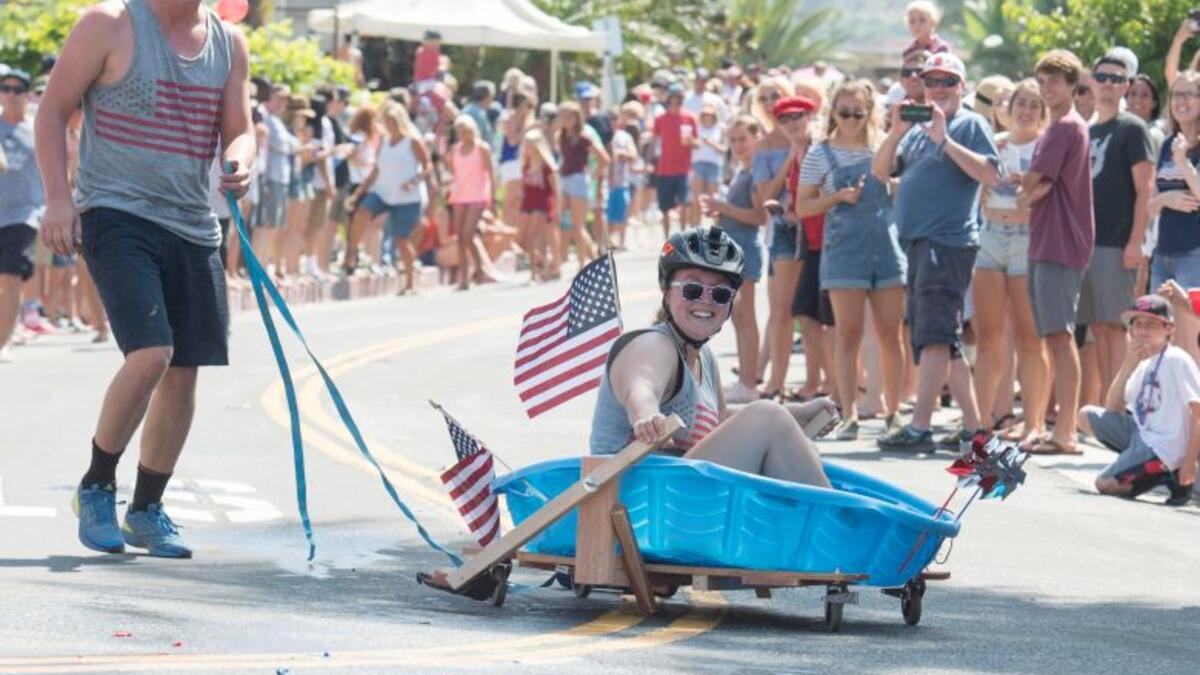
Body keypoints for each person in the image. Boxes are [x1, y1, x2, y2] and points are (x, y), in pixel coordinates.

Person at [36, 0, 254, 556]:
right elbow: (52, 111)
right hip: (115, 212)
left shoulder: (228, 44)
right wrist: (59, 201)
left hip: (193, 224)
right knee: (152, 354)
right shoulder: (108, 24)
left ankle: (147, 509)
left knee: (184, 374)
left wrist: (239, 158)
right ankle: (96, 485)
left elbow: (240, 129)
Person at [589, 225, 836, 488]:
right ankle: (841, 525)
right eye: (692, 289)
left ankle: (829, 523)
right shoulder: (653, 344)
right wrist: (646, 415)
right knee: (767, 416)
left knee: (800, 443)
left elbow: (720, 422)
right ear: (666, 291)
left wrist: (795, 415)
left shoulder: (704, 357)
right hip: (634, 502)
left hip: (675, 499)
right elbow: (641, 387)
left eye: (720, 294)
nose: (706, 300)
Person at [873, 53, 999, 453]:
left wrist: (945, 139)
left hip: (946, 242)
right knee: (943, 336)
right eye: (932, 82)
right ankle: (976, 427)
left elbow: (989, 174)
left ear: (962, 86)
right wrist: (895, 131)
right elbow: (880, 171)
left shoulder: (970, 123)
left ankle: (920, 426)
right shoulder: (914, 128)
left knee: (933, 337)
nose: (939, 89)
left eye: (947, 81)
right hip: (921, 243)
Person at [796, 79, 906, 439]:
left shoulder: (882, 147)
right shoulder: (820, 153)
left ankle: (894, 412)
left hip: (885, 246)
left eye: (858, 113)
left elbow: (901, 183)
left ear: (870, 112)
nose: (851, 120)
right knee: (848, 333)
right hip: (844, 250)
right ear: (833, 113)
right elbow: (801, 206)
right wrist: (837, 198)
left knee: (892, 333)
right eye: (844, 113)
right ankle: (849, 414)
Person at [1019, 49, 1094, 455]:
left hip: (1061, 242)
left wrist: (1027, 187)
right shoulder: (1057, 126)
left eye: (1055, 80)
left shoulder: (1066, 126)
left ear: (1071, 85)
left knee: (1060, 337)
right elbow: (1034, 185)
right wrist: (1030, 188)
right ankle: (1053, 427)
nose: (1047, 87)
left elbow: (1032, 182)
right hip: (1046, 239)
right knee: (1051, 336)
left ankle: (1065, 430)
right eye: (1042, 79)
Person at [971, 79, 1051, 450]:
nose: (1027, 110)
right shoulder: (995, 145)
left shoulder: (1048, 147)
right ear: (1009, 107)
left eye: (1035, 104)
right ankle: (981, 420)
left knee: (1029, 337)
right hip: (990, 236)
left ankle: (1033, 422)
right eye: (1022, 103)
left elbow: (1053, 193)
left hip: (1027, 240)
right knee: (988, 336)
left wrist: (1029, 191)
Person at [1078, 48, 1154, 408]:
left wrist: (1135, 241)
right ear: (1092, 82)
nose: (1108, 85)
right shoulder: (1088, 129)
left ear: (1126, 86)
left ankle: (1121, 408)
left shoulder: (1133, 128)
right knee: (1098, 329)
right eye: (1102, 77)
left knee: (1117, 328)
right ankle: (1106, 407)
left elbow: (1145, 190)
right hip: (1084, 244)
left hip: (1117, 242)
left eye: (1117, 79)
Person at [1079, 295, 1199, 506]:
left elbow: (1197, 411)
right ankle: (1143, 467)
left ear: (1168, 328)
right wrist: (1128, 365)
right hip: (1142, 435)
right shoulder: (1143, 364)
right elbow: (1112, 407)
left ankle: (1172, 472)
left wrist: (1189, 462)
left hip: (1165, 448)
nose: (1143, 331)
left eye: (1152, 324)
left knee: (1105, 484)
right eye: (1138, 324)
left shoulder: (1177, 359)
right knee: (1085, 416)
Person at [701, 115, 766, 404]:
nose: (738, 145)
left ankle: (749, 382)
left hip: (745, 246)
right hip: (731, 245)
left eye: (743, 139)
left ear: (756, 138)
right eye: (734, 140)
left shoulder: (755, 172)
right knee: (738, 317)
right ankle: (745, 380)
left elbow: (758, 216)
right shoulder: (742, 170)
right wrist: (721, 211)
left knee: (745, 316)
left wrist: (723, 206)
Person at [347, 104, 431, 295]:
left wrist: (413, 181)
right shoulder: (383, 142)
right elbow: (376, 169)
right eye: (387, 122)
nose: (390, 125)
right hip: (383, 192)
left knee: (401, 239)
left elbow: (428, 167)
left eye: (393, 122)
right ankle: (352, 252)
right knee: (361, 212)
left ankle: (410, 281)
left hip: (406, 197)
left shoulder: (412, 141)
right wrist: (359, 192)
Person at [0, 67, 41, 363]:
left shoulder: (37, 129)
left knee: (10, 277)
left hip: (24, 214)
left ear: (27, 96)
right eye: (5, 89)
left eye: (17, 90)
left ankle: (5, 340)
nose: (10, 95)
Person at [1150, 70, 1200, 290]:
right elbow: (1151, 208)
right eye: (1176, 95)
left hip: (1194, 253)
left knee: (1193, 323)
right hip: (1163, 255)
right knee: (1160, 323)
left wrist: (1183, 162)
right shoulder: (1167, 143)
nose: (1181, 101)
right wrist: (1166, 199)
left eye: (1188, 94)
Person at [446, 114, 496, 290]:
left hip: (477, 195)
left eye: (464, 129)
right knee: (460, 236)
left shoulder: (482, 148)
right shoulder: (455, 150)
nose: (461, 133)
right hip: (460, 195)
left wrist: (493, 199)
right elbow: (453, 171)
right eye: (458, 130)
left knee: (468, 233)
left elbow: (490, 173)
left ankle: (480, 269)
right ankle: (464, 277)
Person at [555, 100, 607, 267]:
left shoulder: (584, 137)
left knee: (578, 225)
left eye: (567, 117)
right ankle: (564, 258)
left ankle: (582, 262)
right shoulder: (561, 136)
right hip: (565, 179)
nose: (563, 121)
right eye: (561, 117)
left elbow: (604, 159)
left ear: (576, 118)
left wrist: (594, 176)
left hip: (578, 180)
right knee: (560, 220)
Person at [652, 83, 698, 238]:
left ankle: (683, 236)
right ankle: (666, 239)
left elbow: (697, 142)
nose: (677, 100)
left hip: (683, 168)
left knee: (685, 203)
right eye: (675, 97)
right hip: (664, 168)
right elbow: (654, 139)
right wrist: (649, 161)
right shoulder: (660, 119)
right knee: (665, 207)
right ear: (669, 99)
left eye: (680, 97)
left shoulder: (690, 117)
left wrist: (690, 140)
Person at [517, 128, 559, 282]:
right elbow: (523, 188)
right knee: (531, 239)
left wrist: (557, 209)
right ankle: (543, 267)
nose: (526, 148)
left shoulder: (546, 167)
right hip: (528, 204)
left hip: (542, 204)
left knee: (533, 237)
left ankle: (536, 272)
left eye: (529, 145)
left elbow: (554, 189)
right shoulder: (526, 165)